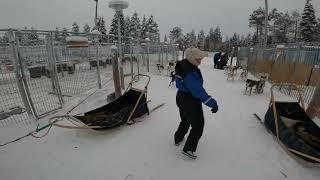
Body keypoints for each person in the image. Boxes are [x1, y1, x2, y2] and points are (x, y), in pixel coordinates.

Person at [174, 48, 219, 159]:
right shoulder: (190, 73)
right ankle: (188, 149)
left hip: (181, 97)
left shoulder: (183, 64)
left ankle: (178, 138)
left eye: (200, 58)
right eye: (198, 59)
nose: (200, 61)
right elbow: (198, 91)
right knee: (198, 125)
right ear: (191, 59)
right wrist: (212, 103)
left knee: (185, 120)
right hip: (190, 100)